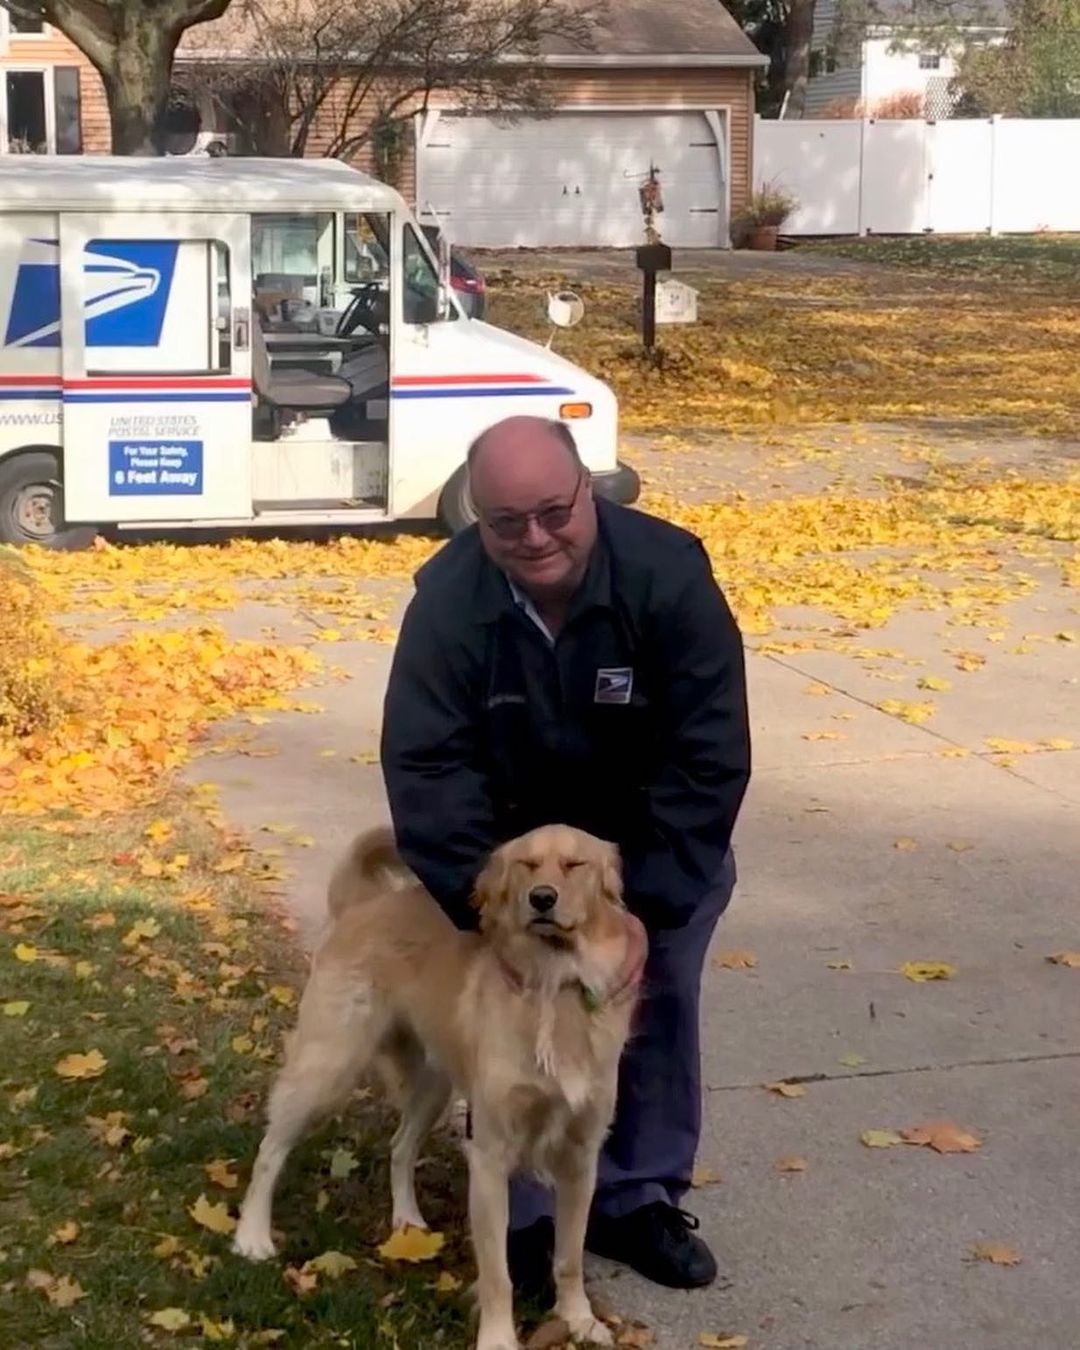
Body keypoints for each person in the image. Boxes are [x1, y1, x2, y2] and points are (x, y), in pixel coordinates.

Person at [380, 415, 751, 1300]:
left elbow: (710, 749)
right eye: (508, 522)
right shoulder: (449, 598)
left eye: (555, 511)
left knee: (650, 1016)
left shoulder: (668, 573)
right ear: (478, 515)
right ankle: (530, 1216)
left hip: (650, 851)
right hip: (512, 864)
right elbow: (425, 761)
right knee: (512, 1025)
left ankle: (640, 1195)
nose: (536, 537)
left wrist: (638, 910)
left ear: (591, 489)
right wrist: (493, 900)